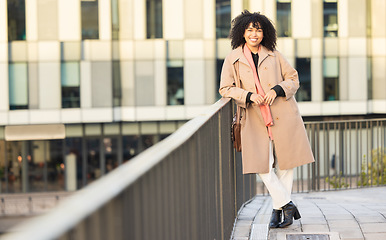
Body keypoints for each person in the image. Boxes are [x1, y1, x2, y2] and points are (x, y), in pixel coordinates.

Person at [219, 10, 315, 228]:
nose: (254, 34)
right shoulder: (232, 58)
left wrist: (279, 89)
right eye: (250, 29)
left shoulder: (274, 54)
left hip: (283, 113)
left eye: (259, 30)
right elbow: (225, 88)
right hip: (254, 117)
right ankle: (287, 204)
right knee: (263, 165)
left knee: (286, 164)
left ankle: (279, 209)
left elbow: (293, 78)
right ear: (242, 32)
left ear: (265, 33)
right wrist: (248, 96)